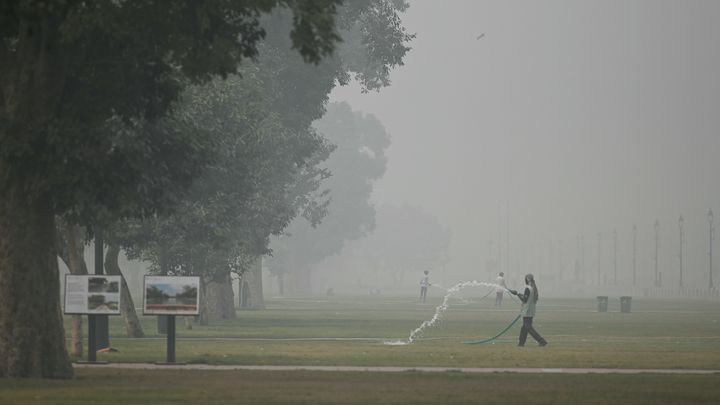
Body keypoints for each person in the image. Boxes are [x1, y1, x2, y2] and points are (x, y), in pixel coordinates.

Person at [509, 273, 547, 347]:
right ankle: (521, 343)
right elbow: (527, 298)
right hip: (530, 311)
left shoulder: (528, 288)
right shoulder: (533, 288)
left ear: (528, 279)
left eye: (525, 278)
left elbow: (525, 299)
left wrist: (517, 294)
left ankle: (542, 341)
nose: (525, 280)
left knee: (528, 327)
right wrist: (518, 293)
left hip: (527, 311)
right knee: (524, 328)